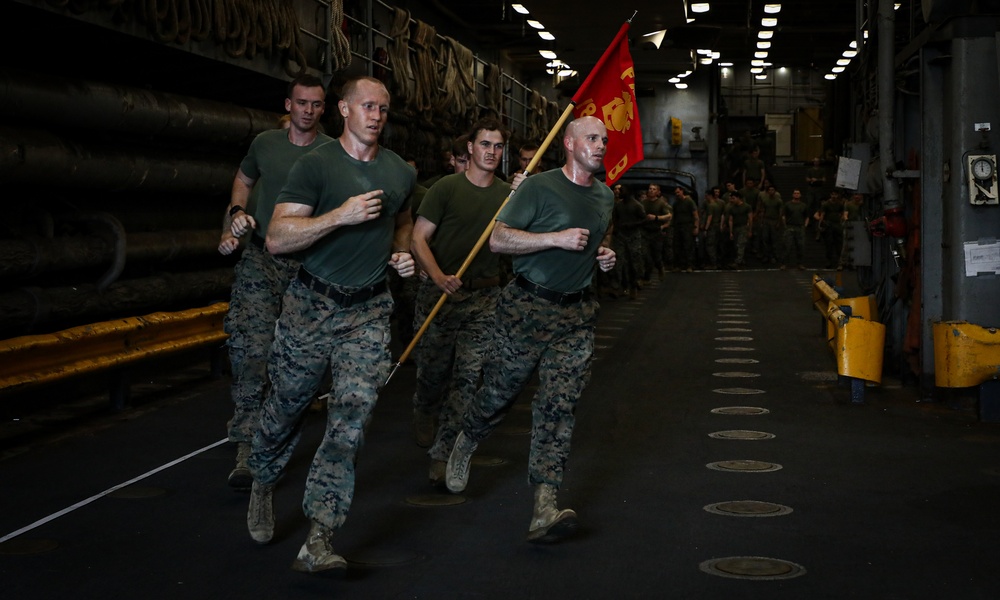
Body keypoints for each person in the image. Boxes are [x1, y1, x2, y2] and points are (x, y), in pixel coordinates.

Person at [245, 76, 417, 574]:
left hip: (367, 312)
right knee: (287, 407)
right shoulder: (316, 164)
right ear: (343, 109)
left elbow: (403, 219)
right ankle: (263, 478)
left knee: (351, 422)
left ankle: (319, 537)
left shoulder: (397, 171)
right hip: (311, 306)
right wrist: (338, 216)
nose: (376, 115)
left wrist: (401, 252)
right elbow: (277, 237)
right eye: (367, 106)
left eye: (383, 108)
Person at [444, 116, 616, 544]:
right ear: (570, 144)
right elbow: (499, 240)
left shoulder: (605, 197)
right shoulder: (538, 187)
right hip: (526, 307)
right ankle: (470, 436)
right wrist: (553, 239)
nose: (600, 146)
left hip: (575, 315)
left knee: (559, 407)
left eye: (605, 140)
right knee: (501, 391)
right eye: (592, 138)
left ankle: (545, 504)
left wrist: (604, 257)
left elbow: (594, 243)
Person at [218, 74, 332, 489]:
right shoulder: (265, 144)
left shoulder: (332, 153)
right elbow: (244, 180)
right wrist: (236, 213)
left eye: (316, 104)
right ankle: (247, 448)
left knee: (297, 366)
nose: (308, 110)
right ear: (289, 105)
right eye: (301, 103)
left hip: (309, 267)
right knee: (251, 350)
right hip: (261, 259)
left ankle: (277, 437)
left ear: (325, 108)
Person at [410, 117, 512, 483]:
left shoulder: (506, 196)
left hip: (484, 296)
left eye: (498, 146)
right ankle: (424, 405)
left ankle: (444, 450)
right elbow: (418, 239)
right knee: (434, 371)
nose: (492, 152)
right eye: (485, 144)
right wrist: (437, 277)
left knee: (468, 378)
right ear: (470, 148)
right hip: (440, 293)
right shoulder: (445, 188)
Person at [640, 183, 670, 280]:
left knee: (656, 255)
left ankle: (660, 267)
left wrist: (656, 218)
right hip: (645, 232)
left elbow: (669, 216)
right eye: (650, 189)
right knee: (645, 254)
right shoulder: (643, 203)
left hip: (656, 232)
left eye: (654, 189)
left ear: (658, 192)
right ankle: (646, 277)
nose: (651, 190)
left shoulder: (661, 203)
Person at [670, 186, 699, 272]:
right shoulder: (676, 203)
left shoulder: (689, 202)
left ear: (682, 191)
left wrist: (696, 227)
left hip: (688, 226)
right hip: (678, 227)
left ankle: (689, 265)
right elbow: (674, 216)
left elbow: (696, 216)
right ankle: (678, 265)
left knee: (688, 246)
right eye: (675, 193)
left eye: (678, 192)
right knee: (677, 246)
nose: (677, 194)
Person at [780, 188, 810, 270]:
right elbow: (783, 215)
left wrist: (805, 225)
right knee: (787, 246)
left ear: (800, 195)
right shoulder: (788, 204)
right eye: (795, 193)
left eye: (798, 193)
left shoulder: (803, 205)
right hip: (790, 227)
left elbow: (807, 216)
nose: (796, 194)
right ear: (793, 195)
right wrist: (785, 225)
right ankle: (784, 264)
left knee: (801, 246)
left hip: (800, 227)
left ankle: (800, 264)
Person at [726, 190, 753, 269]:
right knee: (736, 245)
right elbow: (730, 220)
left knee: (741, 244)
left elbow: (750, 219)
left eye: (733, 198)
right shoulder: (732, 208)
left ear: (738, 198)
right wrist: (731, 232)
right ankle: (741, 260)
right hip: (735, 228)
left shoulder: (747, 207)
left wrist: (750, 230)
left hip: (743, 227)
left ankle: (738, 261)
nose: (732, 200)